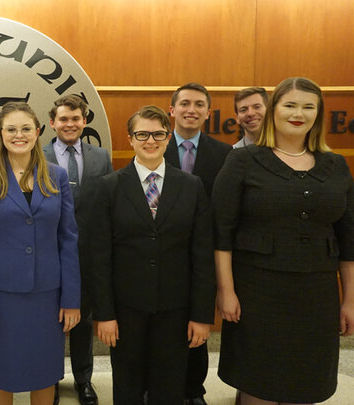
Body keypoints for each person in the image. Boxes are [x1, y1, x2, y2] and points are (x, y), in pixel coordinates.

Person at [213, 77, 354, 405]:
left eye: (308, 106)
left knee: (305, 384)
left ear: (318, 114)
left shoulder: (336, 165)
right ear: (274, 110)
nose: (299, 113)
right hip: (257, 295)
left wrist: (352, 300)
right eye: (290, 105)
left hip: (316, 296)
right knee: (258, 386)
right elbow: (221, 234)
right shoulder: (243, 161)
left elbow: (351, 239)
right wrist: (226, 291)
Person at [89, 105, 215, 404]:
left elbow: (202, 255)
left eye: (158, 134)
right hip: (126, 309)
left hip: (176, 309)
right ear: (130, 138)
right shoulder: (109, 187)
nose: (150, 141)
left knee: (169, 386)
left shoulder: (191, 186)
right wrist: (104, 315)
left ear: (168, 137)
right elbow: (99, 256)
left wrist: (201, 315)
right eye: (142, 134)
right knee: (128, 385)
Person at [0, 101, 81, 405]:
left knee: (44, 374)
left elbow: (68, 239)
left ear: (38, 132)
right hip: (1, 297)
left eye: (26, 128)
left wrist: (71, 299)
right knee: (1, 374)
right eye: (11, 129)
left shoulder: (57, 177)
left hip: (48, 295)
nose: (19, 135)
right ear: (1, 134)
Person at [43, 94, 112, 405]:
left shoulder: (101, 157)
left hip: (86, 252)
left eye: (75, 118)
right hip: (47, 250)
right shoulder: (37, 155)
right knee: (49, 320)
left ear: (84, 121)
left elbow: (107, 204)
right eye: (63, 119)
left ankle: (84, 379)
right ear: (52, 122)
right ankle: (51, 378)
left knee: (82, 318)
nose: (69, 124)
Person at [164, 82, 231, 405]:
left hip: (203, 253)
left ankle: (194, 390)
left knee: (198, 324)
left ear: (207, 112)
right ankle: (159, 385)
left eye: (199, 104)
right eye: (185, 103)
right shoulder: (153, 146)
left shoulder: (224, 154)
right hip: (162, 253)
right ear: (172, 109)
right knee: (162, 327)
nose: (192, 110)